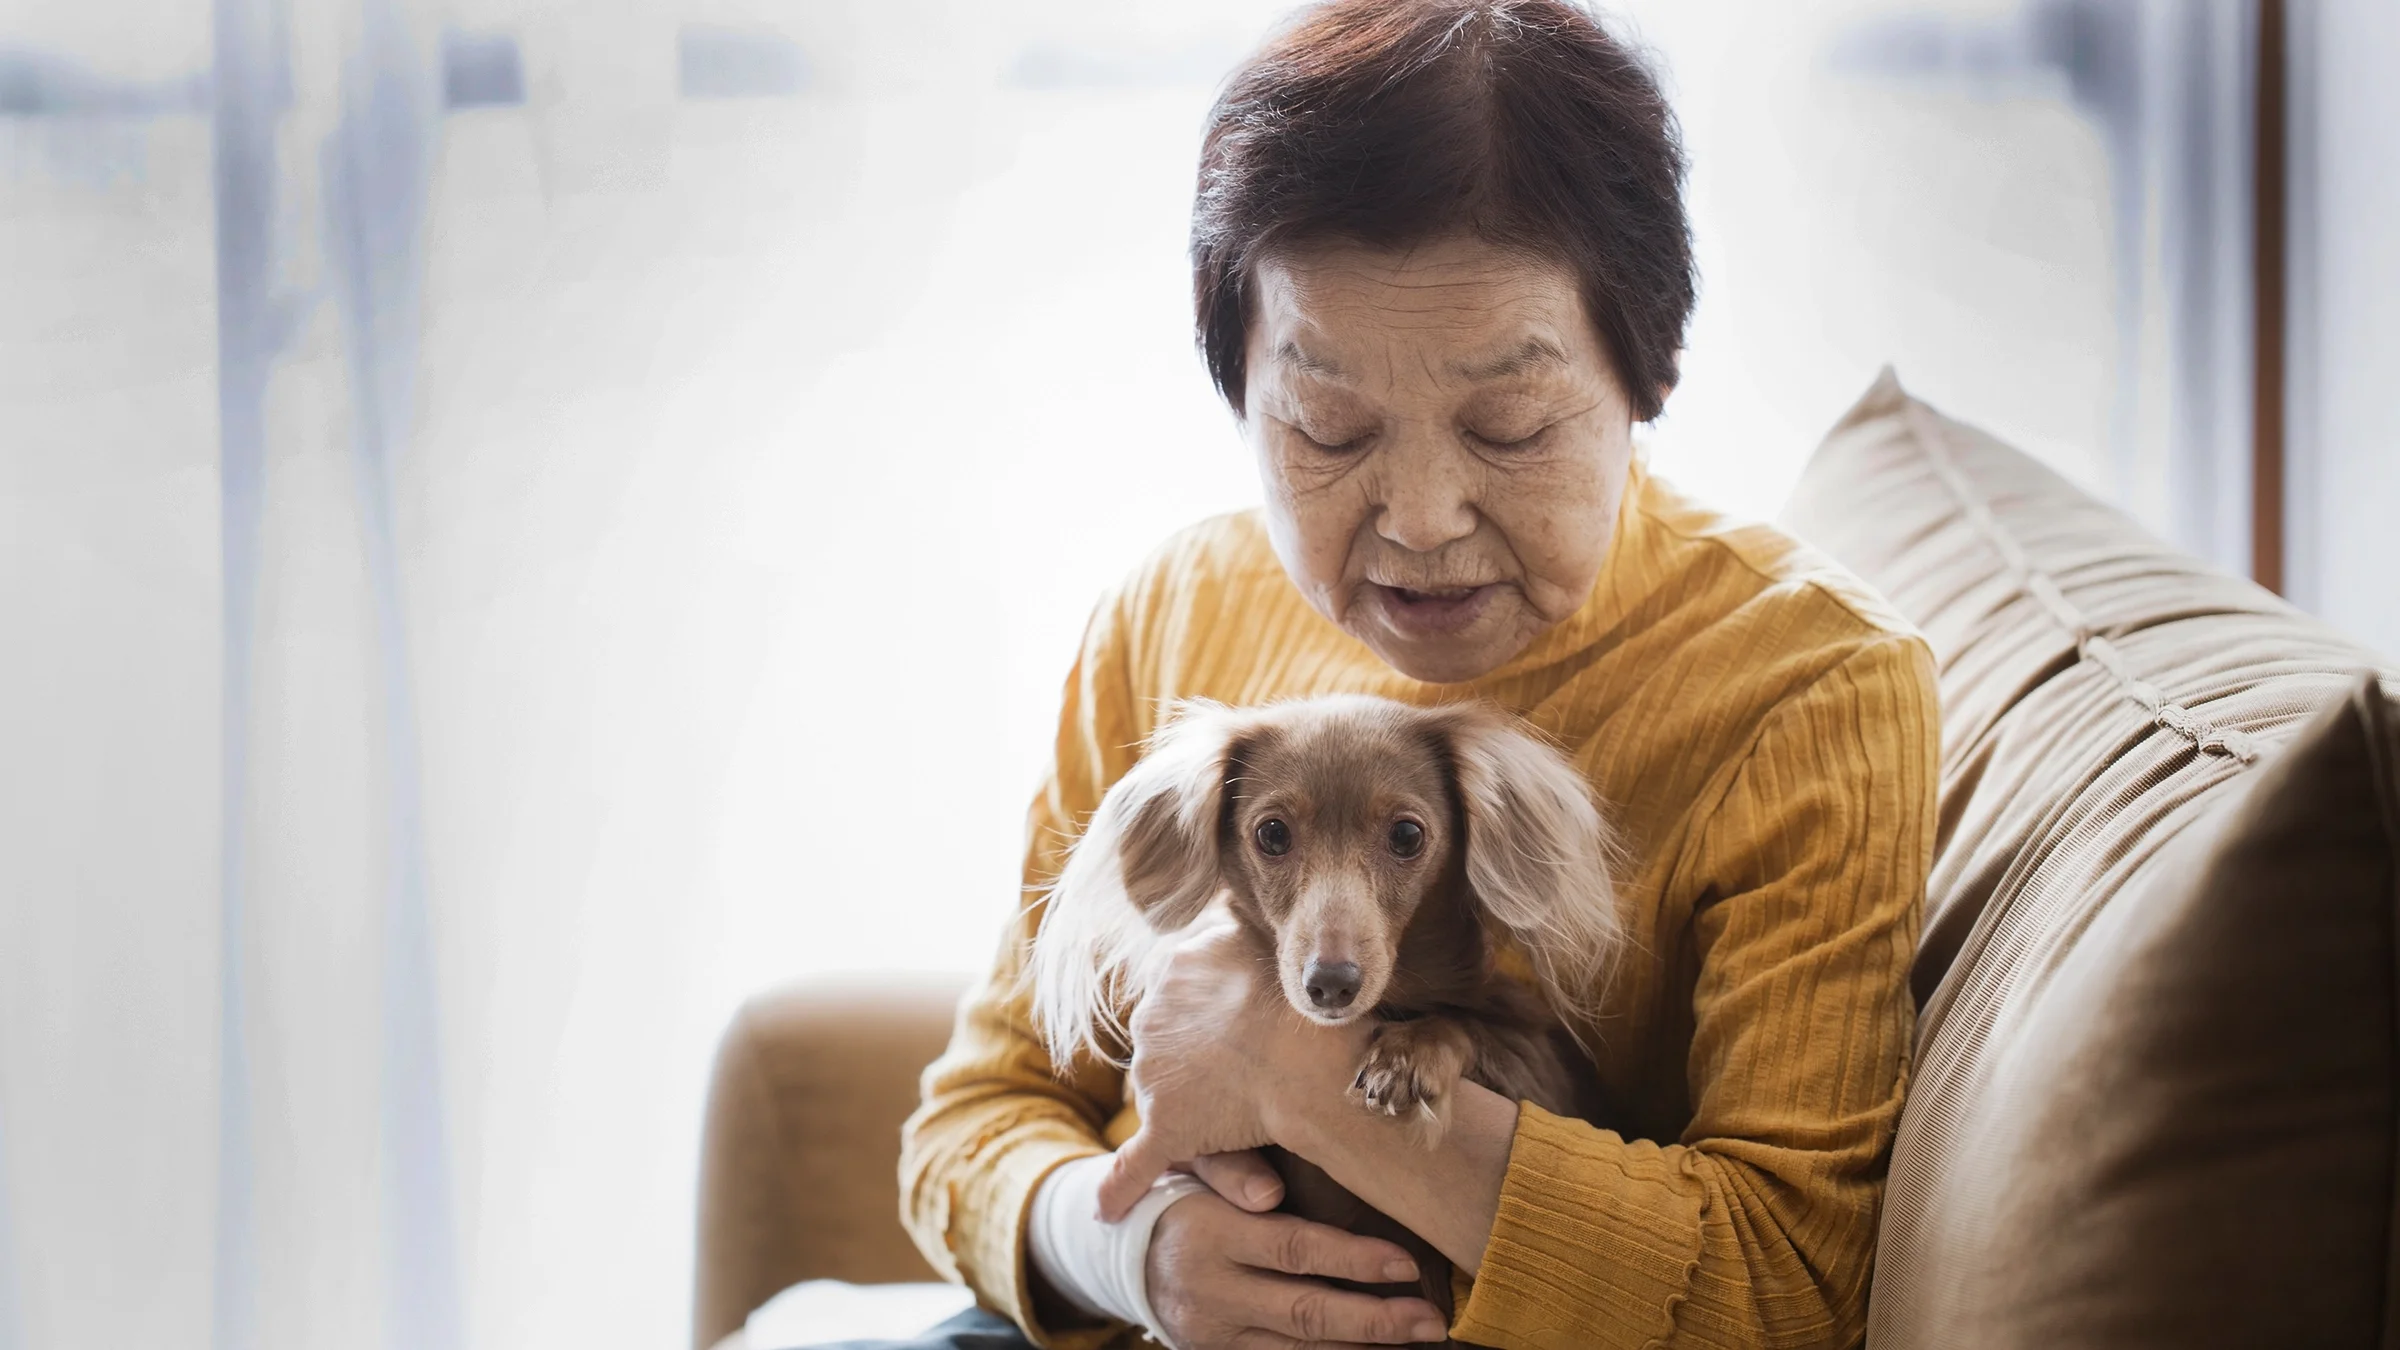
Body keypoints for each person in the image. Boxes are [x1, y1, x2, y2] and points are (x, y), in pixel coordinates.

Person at [881, 3, 1940, 1348]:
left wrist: (1295, 1070)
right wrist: (1136, 1247)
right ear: (1241, 392)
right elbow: (975, 1118)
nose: (1424, 517)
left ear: (1647, 371)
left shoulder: (1814, 690)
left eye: (1509, 425)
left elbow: (1786, 1281)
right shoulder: (1176, 608)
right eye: (1328, 427)